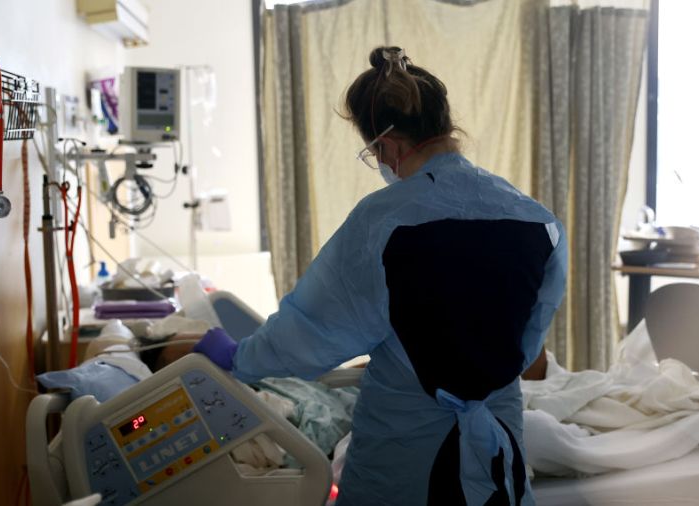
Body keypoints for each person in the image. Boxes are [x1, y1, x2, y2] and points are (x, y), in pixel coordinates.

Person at [194, 46, 567, 506]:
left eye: (373, 153)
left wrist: (239, 356)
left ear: (387, 146)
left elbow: (312, 331)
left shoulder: (383, 223)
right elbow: (527, 343)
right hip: (497, 440)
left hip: (406, 449)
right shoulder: (539, 221)